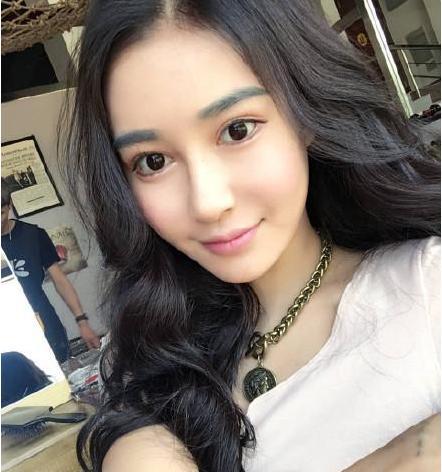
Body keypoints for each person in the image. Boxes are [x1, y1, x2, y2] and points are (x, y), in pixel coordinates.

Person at [59, 1, 440, 471]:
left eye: (237, 130)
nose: (207, 202)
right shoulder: (150, 355)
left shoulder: (426, 288)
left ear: (304, 114)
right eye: (153, 161)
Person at [1, 188, 100, 363]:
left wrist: (82, 321)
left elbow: (60, 280)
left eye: (0, 213)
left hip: (44, 322)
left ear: (10, 206)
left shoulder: (33, 235)